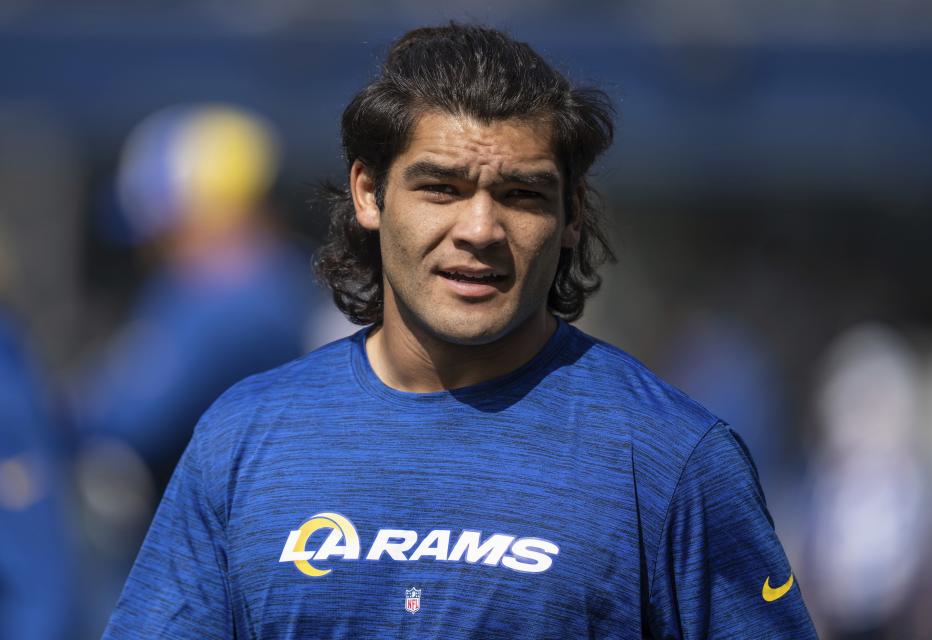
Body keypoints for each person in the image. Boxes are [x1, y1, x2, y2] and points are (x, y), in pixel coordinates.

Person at [103, 24, 817, 639]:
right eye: (441, 188)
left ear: (571, 217)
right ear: (368, 194)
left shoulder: (671, 458)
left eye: (521, 195)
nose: (479, 231)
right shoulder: (243, 437)